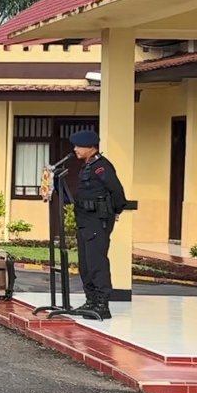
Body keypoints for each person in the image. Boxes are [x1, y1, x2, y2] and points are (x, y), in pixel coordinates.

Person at [69, 129, 128, 319]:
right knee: (85, 264)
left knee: (96, 263)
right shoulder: (88, 166)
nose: (75, 149)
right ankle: (91, 300)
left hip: (97, 221)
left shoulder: (101, 167)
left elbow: (117, 192)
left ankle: (102, 304)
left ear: (91, 147)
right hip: (85, 221)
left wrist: (115, 211)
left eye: (79, 146)